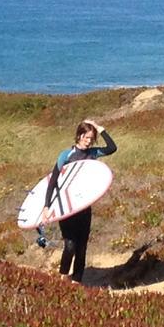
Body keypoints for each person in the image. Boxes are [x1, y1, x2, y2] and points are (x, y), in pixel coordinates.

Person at [37, 119, 117, 283]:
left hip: (84, 207)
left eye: (91, 138)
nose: (89, 141)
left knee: (82, 247)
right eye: (86, 137)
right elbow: (53, 182)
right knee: (70, 245)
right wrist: (47, 206)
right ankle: (63, 276)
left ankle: (77, 281)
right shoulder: (66, 155)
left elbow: (112, 148)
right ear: (79, 136)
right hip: (66, 207)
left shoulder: (93, 153)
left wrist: (100, 129)